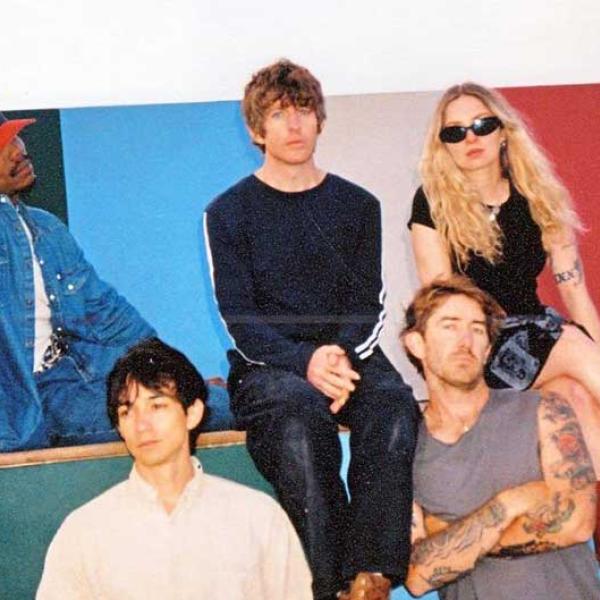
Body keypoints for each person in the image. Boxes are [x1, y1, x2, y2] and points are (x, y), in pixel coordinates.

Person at [204, 59, 418, 600]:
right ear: (257, 130)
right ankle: (329, 586)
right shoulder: (227, 212)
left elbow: (368, 302)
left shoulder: (358, 205)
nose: (294, 124)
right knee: (298, 420)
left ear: (320, 120)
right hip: (269, 365)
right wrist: (306, 363)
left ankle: (372, 575)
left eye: (303, 110)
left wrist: (338, 356)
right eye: (279, 114)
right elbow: (239, 318)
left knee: (395, 406)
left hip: (351, 356)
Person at [407, 82, 600, 474]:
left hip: (538, 338)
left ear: (504, 131)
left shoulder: (538, 196)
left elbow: (573, 288)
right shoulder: (432, 203)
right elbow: (439, 306)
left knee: (574, 397)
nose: (471, 138)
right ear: (443, 146)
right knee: (571, 342)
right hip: (479, 346)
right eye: (455, 132)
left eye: (482, 125)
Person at [37, 337, 312, 599]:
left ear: (192, 413)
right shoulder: (84, 532)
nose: (142, 425)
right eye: (127, 411)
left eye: (157, 406)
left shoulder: (257, 517)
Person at [400, 276, 599, 599]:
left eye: (478, 329)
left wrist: (453, 538)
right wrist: (509, 504)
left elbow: (576, 522)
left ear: (488, 349)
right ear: (416, 344)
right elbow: (418, 574)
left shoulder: (544, 409)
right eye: (450, 326)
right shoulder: (406, 445)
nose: (466, 340)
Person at [0, 113, 155, 451]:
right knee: (164, 419)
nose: (19, 151)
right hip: (27, 403)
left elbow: (107, 313)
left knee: (211, 404)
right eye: (3, 146)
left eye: (16, 137)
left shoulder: (47, 227)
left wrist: (170, 373)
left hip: (78, 379)